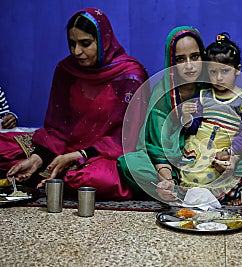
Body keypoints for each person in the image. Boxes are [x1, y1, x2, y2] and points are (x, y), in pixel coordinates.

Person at [0, 8, 149, 200]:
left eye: (85, 44)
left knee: (94, 179)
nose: (77, 52)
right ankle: (46, 174)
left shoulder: (130, 76)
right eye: (72, 44)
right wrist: (37, 158)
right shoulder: (67, 70)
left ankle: (56, 178)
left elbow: (128, 137)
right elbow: (57, 127)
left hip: (103, 153)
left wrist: (77, 155)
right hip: (60, 146)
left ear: (103, 40)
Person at [117, 26, 207, 201]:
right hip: (169, 165)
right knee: (130, 164)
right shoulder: (163, 94)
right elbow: (157, 147)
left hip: (204, 159)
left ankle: (188, 189)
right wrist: (167, 179)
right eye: (180, 59)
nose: (189, 65)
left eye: (195, 56)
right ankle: (177, 190)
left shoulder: (211, 89)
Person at [177, 32, 242, 205]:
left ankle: (230, 191)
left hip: (226, 149)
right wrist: (187, 117)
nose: (219, 78)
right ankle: (194, 192)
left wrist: (230, 153)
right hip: (199, 147)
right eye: (213, 72)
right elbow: (194, 126)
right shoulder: (203, 95)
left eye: (225, 71)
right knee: (194, 170)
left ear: (238, 70)